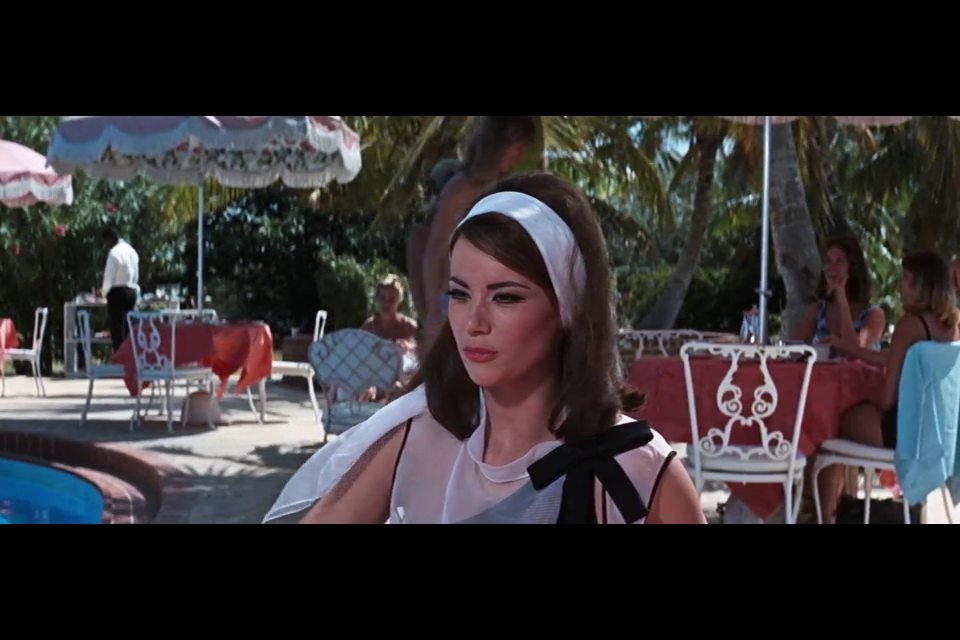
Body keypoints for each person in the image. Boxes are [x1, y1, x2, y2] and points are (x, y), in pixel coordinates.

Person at [264, 173, 705, 524]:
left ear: (566, 308)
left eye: (506, 297)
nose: (473, 322)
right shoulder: (416, 439)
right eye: (459, 294)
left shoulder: (638, 471)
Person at [816, 250, 960, 522]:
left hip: (906, 435)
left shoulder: (910, 325)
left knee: (830, 421)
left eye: (905, 278)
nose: (899, 285)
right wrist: (851, 349)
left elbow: (886, 400)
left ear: (921, 284)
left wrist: (868, 399)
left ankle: (823, 517)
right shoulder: (953, 327)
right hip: (939, 435)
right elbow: (893, 358)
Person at [420, 117, 537, 346]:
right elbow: (434, 253)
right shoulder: (461, 189)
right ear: (498, 146)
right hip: (460, 304)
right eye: (516, 148)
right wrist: (433, 312)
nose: (520, 156)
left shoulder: (507, 190)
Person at [793, 236, 886, 353]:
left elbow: (856, 351)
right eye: (828, 261)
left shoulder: (874, 315)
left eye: (839, 261)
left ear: (852, 268)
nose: (832, 268)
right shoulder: (818, 310)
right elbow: (792, 347)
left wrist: (842, 300)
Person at [100, 227, 139, 350]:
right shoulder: (132, 251)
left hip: (117, 292)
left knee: (117, 327)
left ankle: (118, 354)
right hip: (131, 290)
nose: (106, 245)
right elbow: (136, 275)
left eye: (106, 242)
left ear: (110, 239)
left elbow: (108, 277)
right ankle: (129, 353)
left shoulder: (114, 253)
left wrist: (103, 293)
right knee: (128, 326)